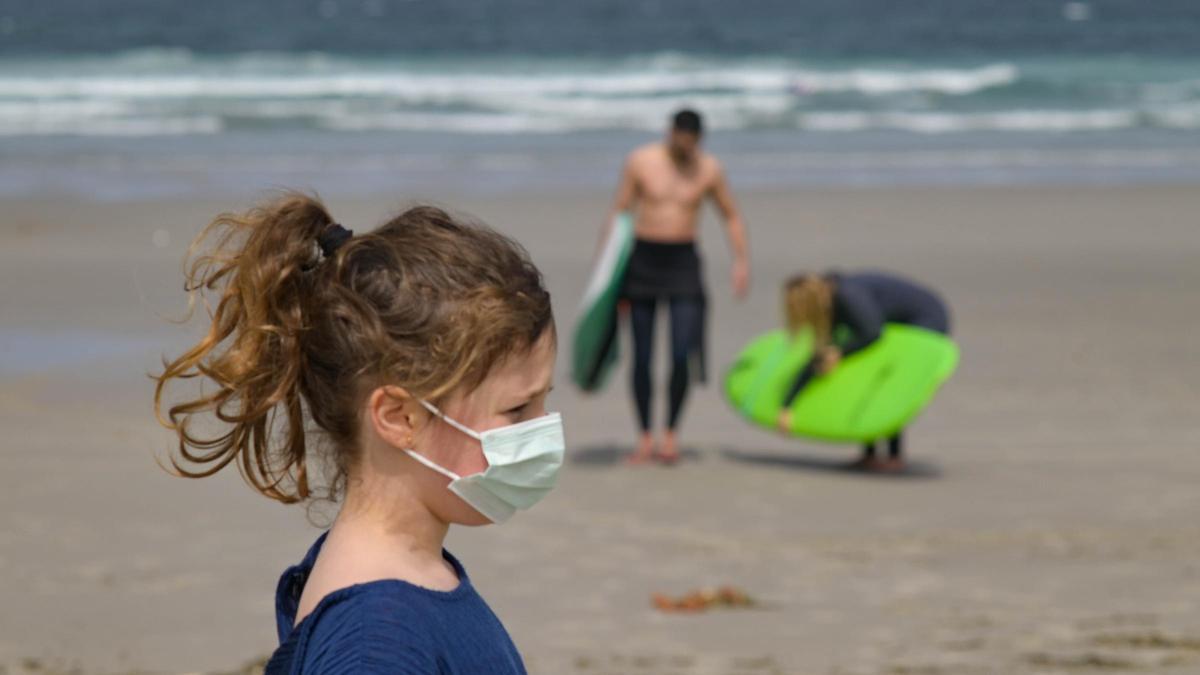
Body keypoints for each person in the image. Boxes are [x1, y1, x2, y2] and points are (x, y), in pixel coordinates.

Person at [153, 193, 562, 673]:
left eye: (543, 400)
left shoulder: (416, 577)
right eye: (516, 410)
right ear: (398, 417)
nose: (543, 428)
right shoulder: (376, 642)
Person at [601, 108, 750, 465]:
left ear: (699, 139)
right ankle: (645, 437)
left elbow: (730, 215)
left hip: (684, 263)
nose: (685, 146)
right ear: (671, 132)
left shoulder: (709, 169)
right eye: (680, 139)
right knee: (643, 356)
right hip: (642, 262)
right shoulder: (641, 161)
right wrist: (605, 274)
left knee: (683, 352)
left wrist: (740, 261)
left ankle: (670, 435)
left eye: (692, 141)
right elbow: (620, 212)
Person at [777, 271, 950, 472]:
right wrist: (787, 405)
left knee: (887, 384)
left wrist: (840, 352)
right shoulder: (828, 300)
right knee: (865, 374)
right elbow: (819, 356)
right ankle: (870, 454)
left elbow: (872, 333)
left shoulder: (847, 297)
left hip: (926, 319)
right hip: (889, 323)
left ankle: (894, 456)